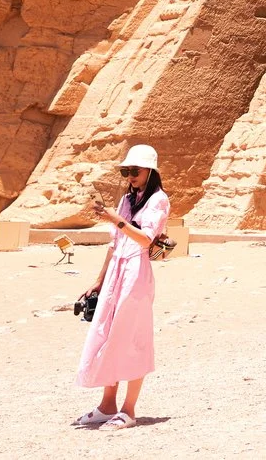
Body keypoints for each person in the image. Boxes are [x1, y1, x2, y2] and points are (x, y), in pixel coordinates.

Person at [76, 143, 169, 429]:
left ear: (149, 171)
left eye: (135, 171)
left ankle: (128, 410)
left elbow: (144, 240)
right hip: (118, 269)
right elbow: (115, 244)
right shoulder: (128, 200)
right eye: (126, 171)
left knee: (132, 337)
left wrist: (115, 220)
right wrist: (98, 280)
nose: (129, 176)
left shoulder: (158, 200)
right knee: (109, 335)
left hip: (136, 273)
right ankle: (107, 404)